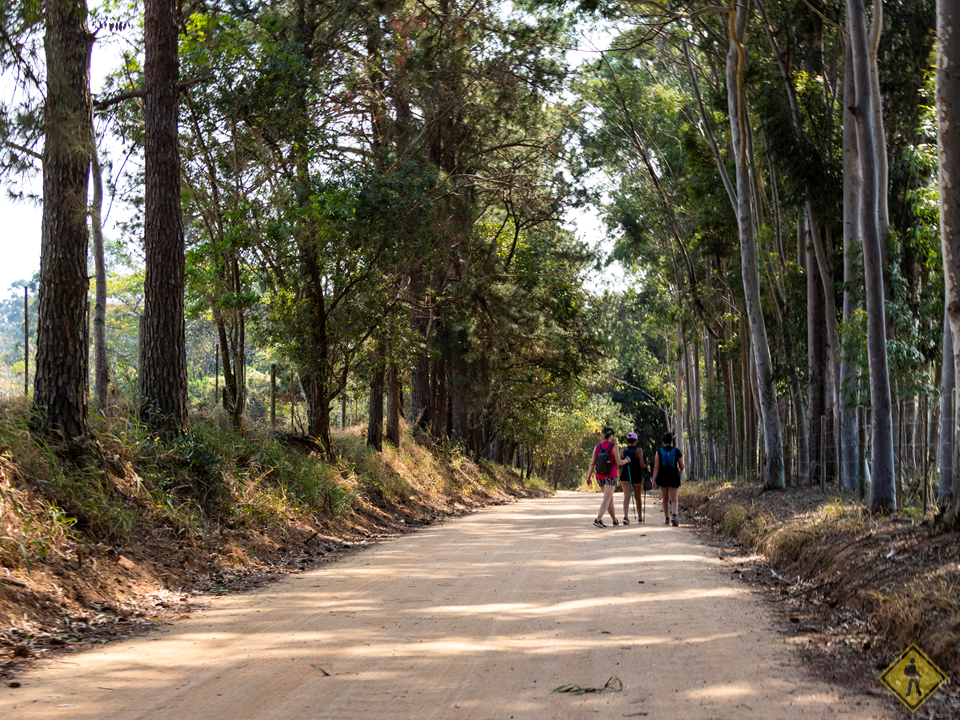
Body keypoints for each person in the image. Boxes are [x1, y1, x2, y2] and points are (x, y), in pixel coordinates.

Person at [586, 427, 631, 528]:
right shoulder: (614, 446)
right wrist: (627, 461)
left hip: (599, 476)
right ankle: (598, 519)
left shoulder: (597, 447)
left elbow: (592, 464)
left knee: (609, 499)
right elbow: (619, 462)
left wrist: (588, 477)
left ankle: (615, 521)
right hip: (610, 475)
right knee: (607, 498)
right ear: (611, 435)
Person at [652, 432, 683, 526]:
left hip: (662, 477)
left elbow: (656, 467)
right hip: (674, 476)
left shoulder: (659, 451)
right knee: (674, 498)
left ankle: (666, 519)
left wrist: (654, 479)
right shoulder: (677, 451)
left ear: (663, 441)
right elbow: (682, 466)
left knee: (665, 498)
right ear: (671, 441)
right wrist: (679, 474)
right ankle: (674, 515)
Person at [619, 432, 647, 524]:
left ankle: (625, 517)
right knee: (637, 497)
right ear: (635, 441)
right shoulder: (638, 450)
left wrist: (621, 471)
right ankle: (639, 518)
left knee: (626, 496)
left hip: (624, 475)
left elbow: (619, 464)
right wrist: (646, 465)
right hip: (636, 475)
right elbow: (642, 465)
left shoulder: (622, 451)